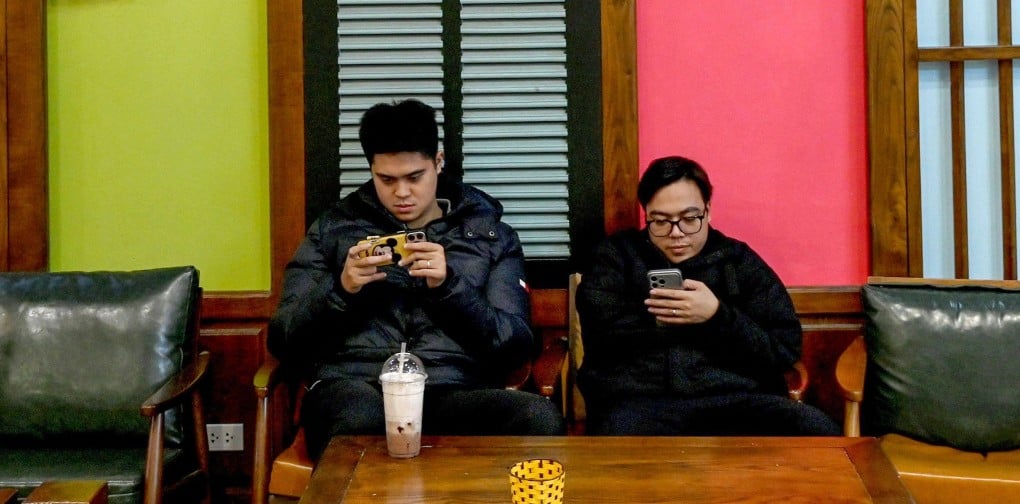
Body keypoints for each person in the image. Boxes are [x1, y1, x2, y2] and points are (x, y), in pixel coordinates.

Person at [268, 99, 565, 459]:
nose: (402, 193)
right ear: (371, 169)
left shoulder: (489, 235)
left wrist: (449, 288)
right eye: (386, 180)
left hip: (450, 390)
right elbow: (284, 339)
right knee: (359, 415)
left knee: (539, 418)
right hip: (354, 385)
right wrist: (342, 291)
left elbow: (515, 344)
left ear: (438, 162)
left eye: (414, 177)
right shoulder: (333, 230)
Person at [576, 155, 840, 436]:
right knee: (615, 431)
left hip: (732, 400)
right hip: (642, 403)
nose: (676, 234)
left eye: (690, 219)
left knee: (815, 428)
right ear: (646, 214)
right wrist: (668, 317)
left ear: (708, 210)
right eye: (661, 221)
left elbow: (783, 349)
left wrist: (717, 315)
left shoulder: (738, 261)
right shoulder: (616, 258)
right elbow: (601, 337)